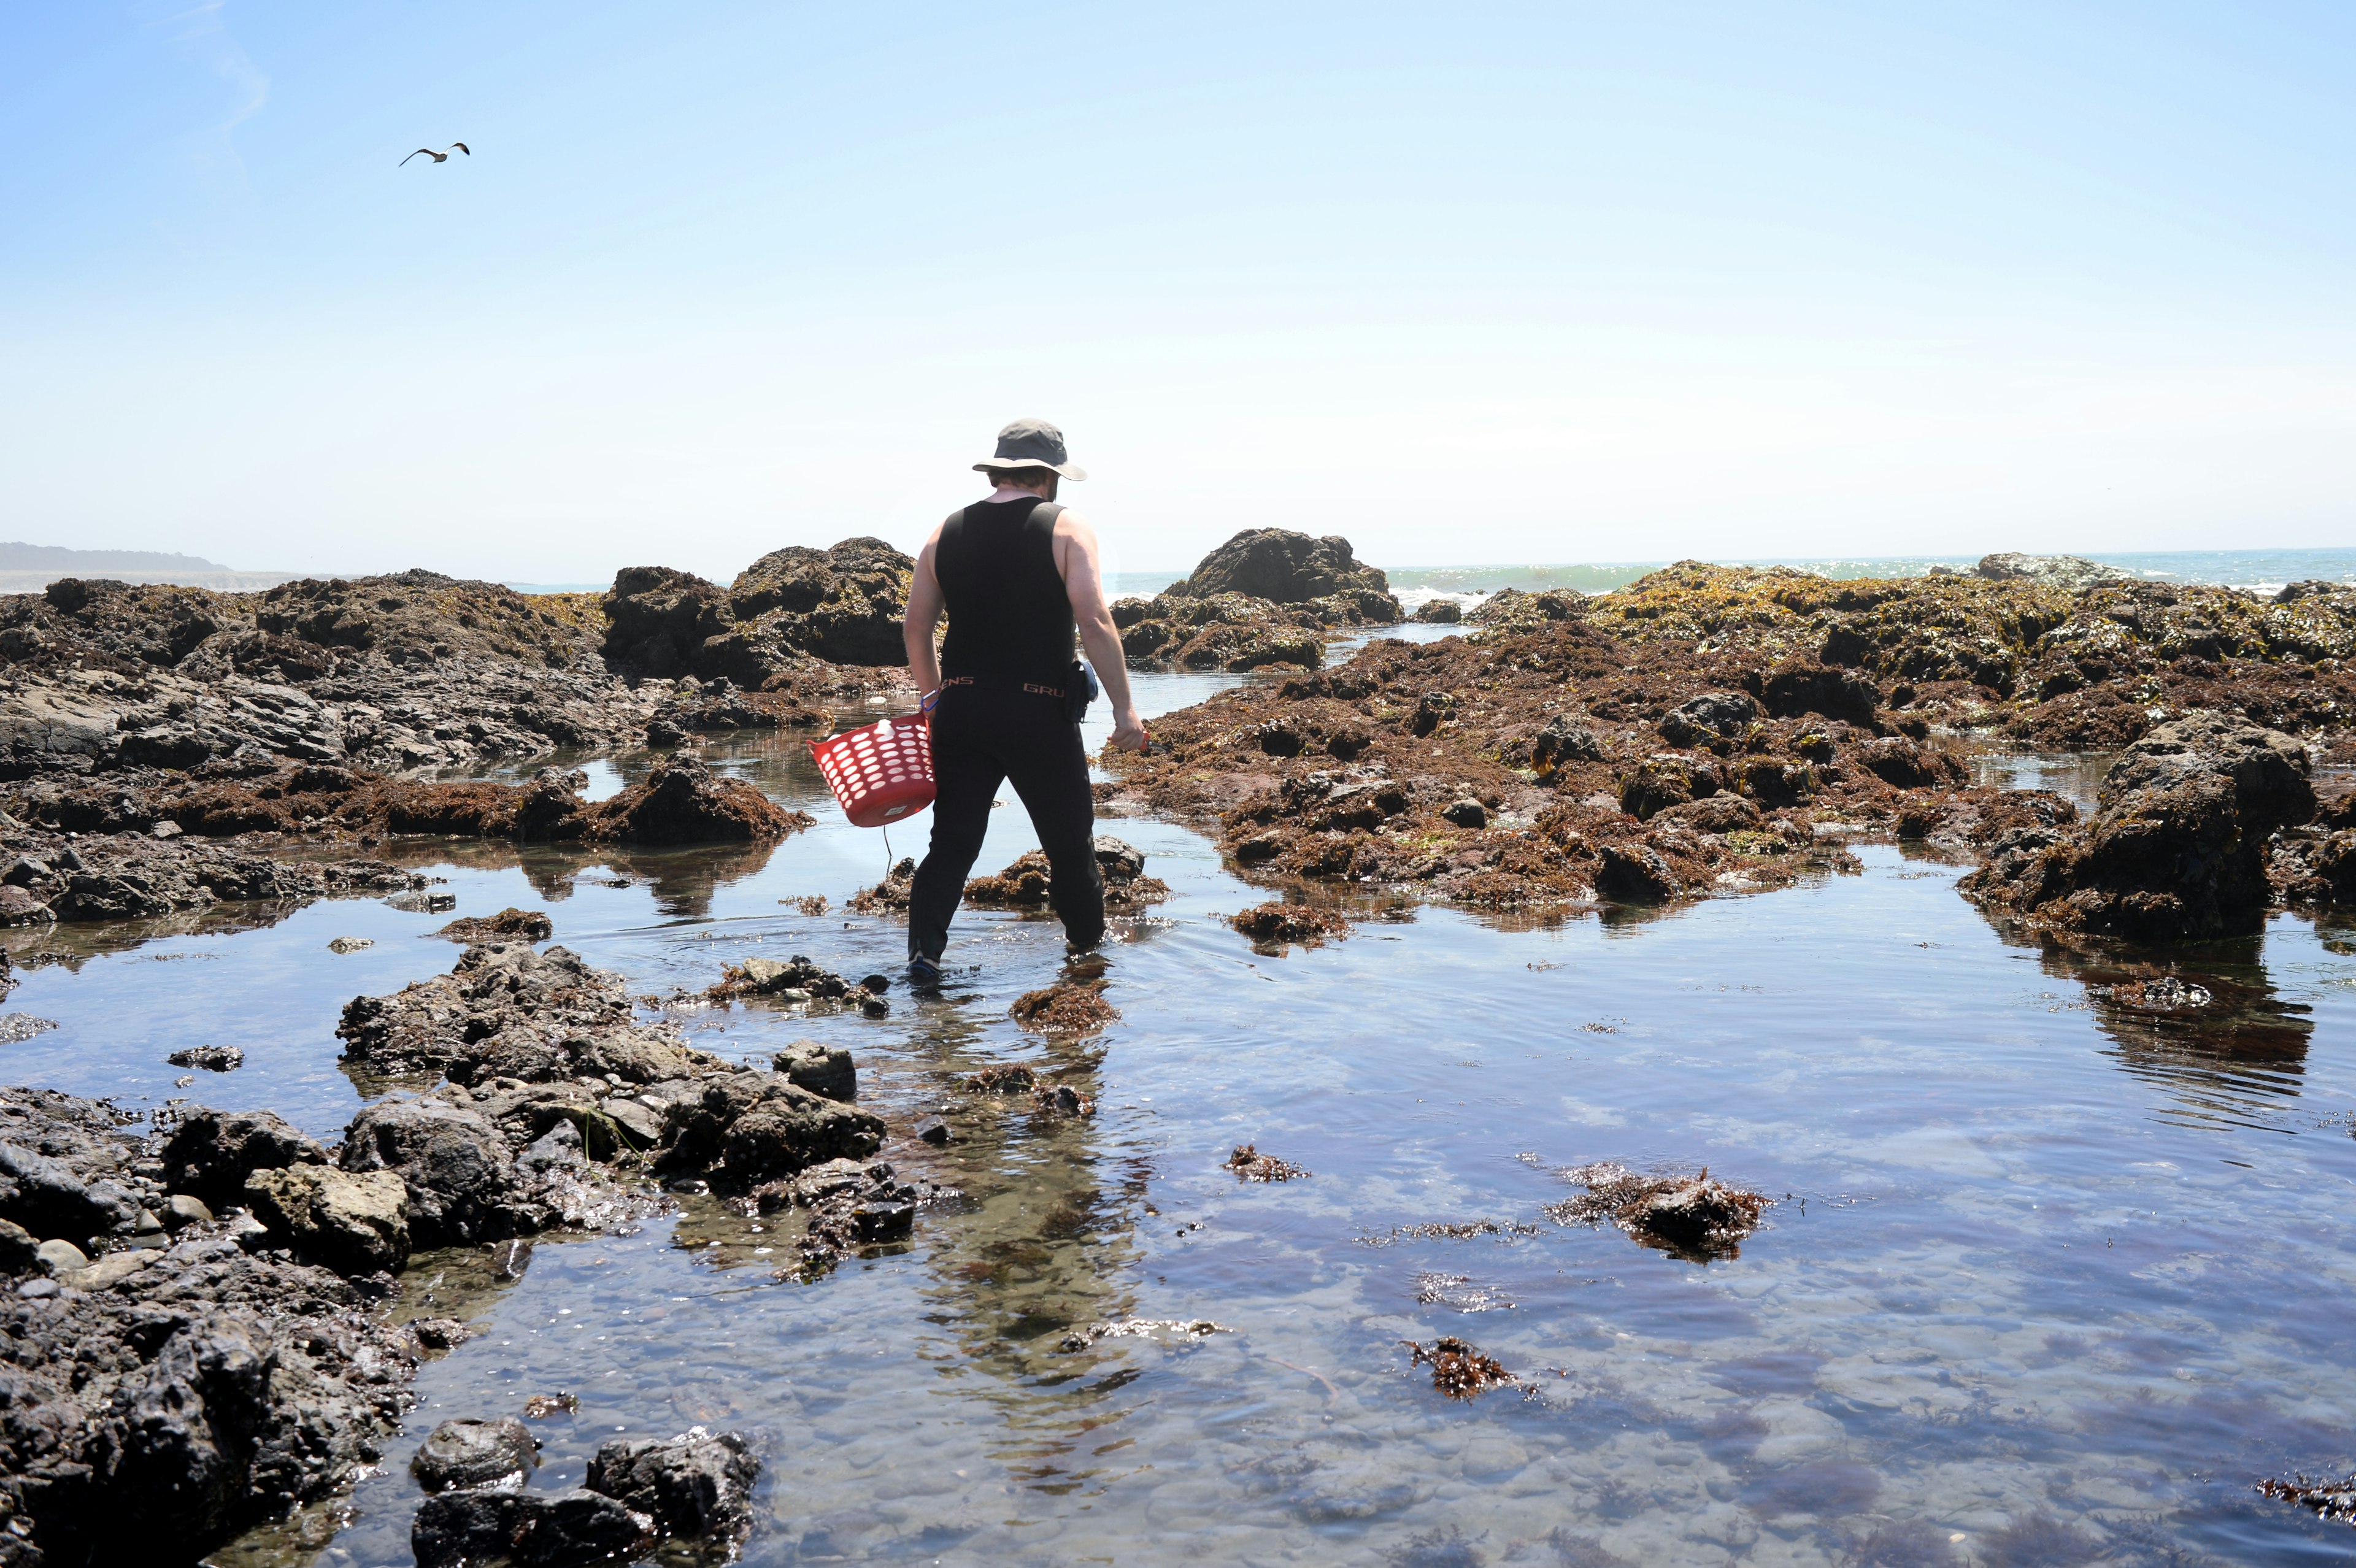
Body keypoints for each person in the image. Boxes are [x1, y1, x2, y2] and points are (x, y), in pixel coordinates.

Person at [901, 419, 1148, 986]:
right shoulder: (1066, 527)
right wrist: (1123, 709)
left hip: (962, 713)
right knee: (1068, 845)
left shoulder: (946, 531)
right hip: (1039, 714)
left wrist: (935, 701)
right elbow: (1094, 619)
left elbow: (917, 628)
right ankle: (1087, 959)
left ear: (999, 470)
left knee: (952, 845)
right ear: (1051, 478)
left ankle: (924, 959)